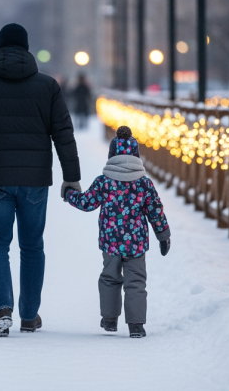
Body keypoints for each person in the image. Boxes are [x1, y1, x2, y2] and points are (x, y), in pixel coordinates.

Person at [0, 23, 81, 337]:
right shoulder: (48, 86)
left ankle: (3, 309)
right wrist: (72, 178)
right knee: (32, 246)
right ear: (27, 49)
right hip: (34, 180)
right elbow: (63, 135)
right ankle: (28, 315)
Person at [63, 126, 171, 339]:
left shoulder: (104, 182)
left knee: (110, 278)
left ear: (112, 154)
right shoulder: (143, 183)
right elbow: (155, 211)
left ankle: (110, 320)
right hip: (137, 243)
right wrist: (163, 235)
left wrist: (69, 194)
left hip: (111, 242)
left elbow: (87, 202)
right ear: (136, 155)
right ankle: (136, 325)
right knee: (136, 281)